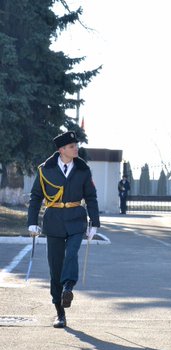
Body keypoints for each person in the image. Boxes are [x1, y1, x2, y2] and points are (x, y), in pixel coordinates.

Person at [27, 131, 100, 328]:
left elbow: (91, 197)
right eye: (71, 146)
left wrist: (95, 222)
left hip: (77, 219)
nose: (76, 148)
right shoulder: (45, 170)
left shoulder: (83, 170)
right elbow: (35, 197)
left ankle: (69, 286)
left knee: (72, 253)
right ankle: (59, 311)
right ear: (61, 150)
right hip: (54, 221)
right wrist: (32, 222)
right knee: (55, 267)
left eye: (76, 145)